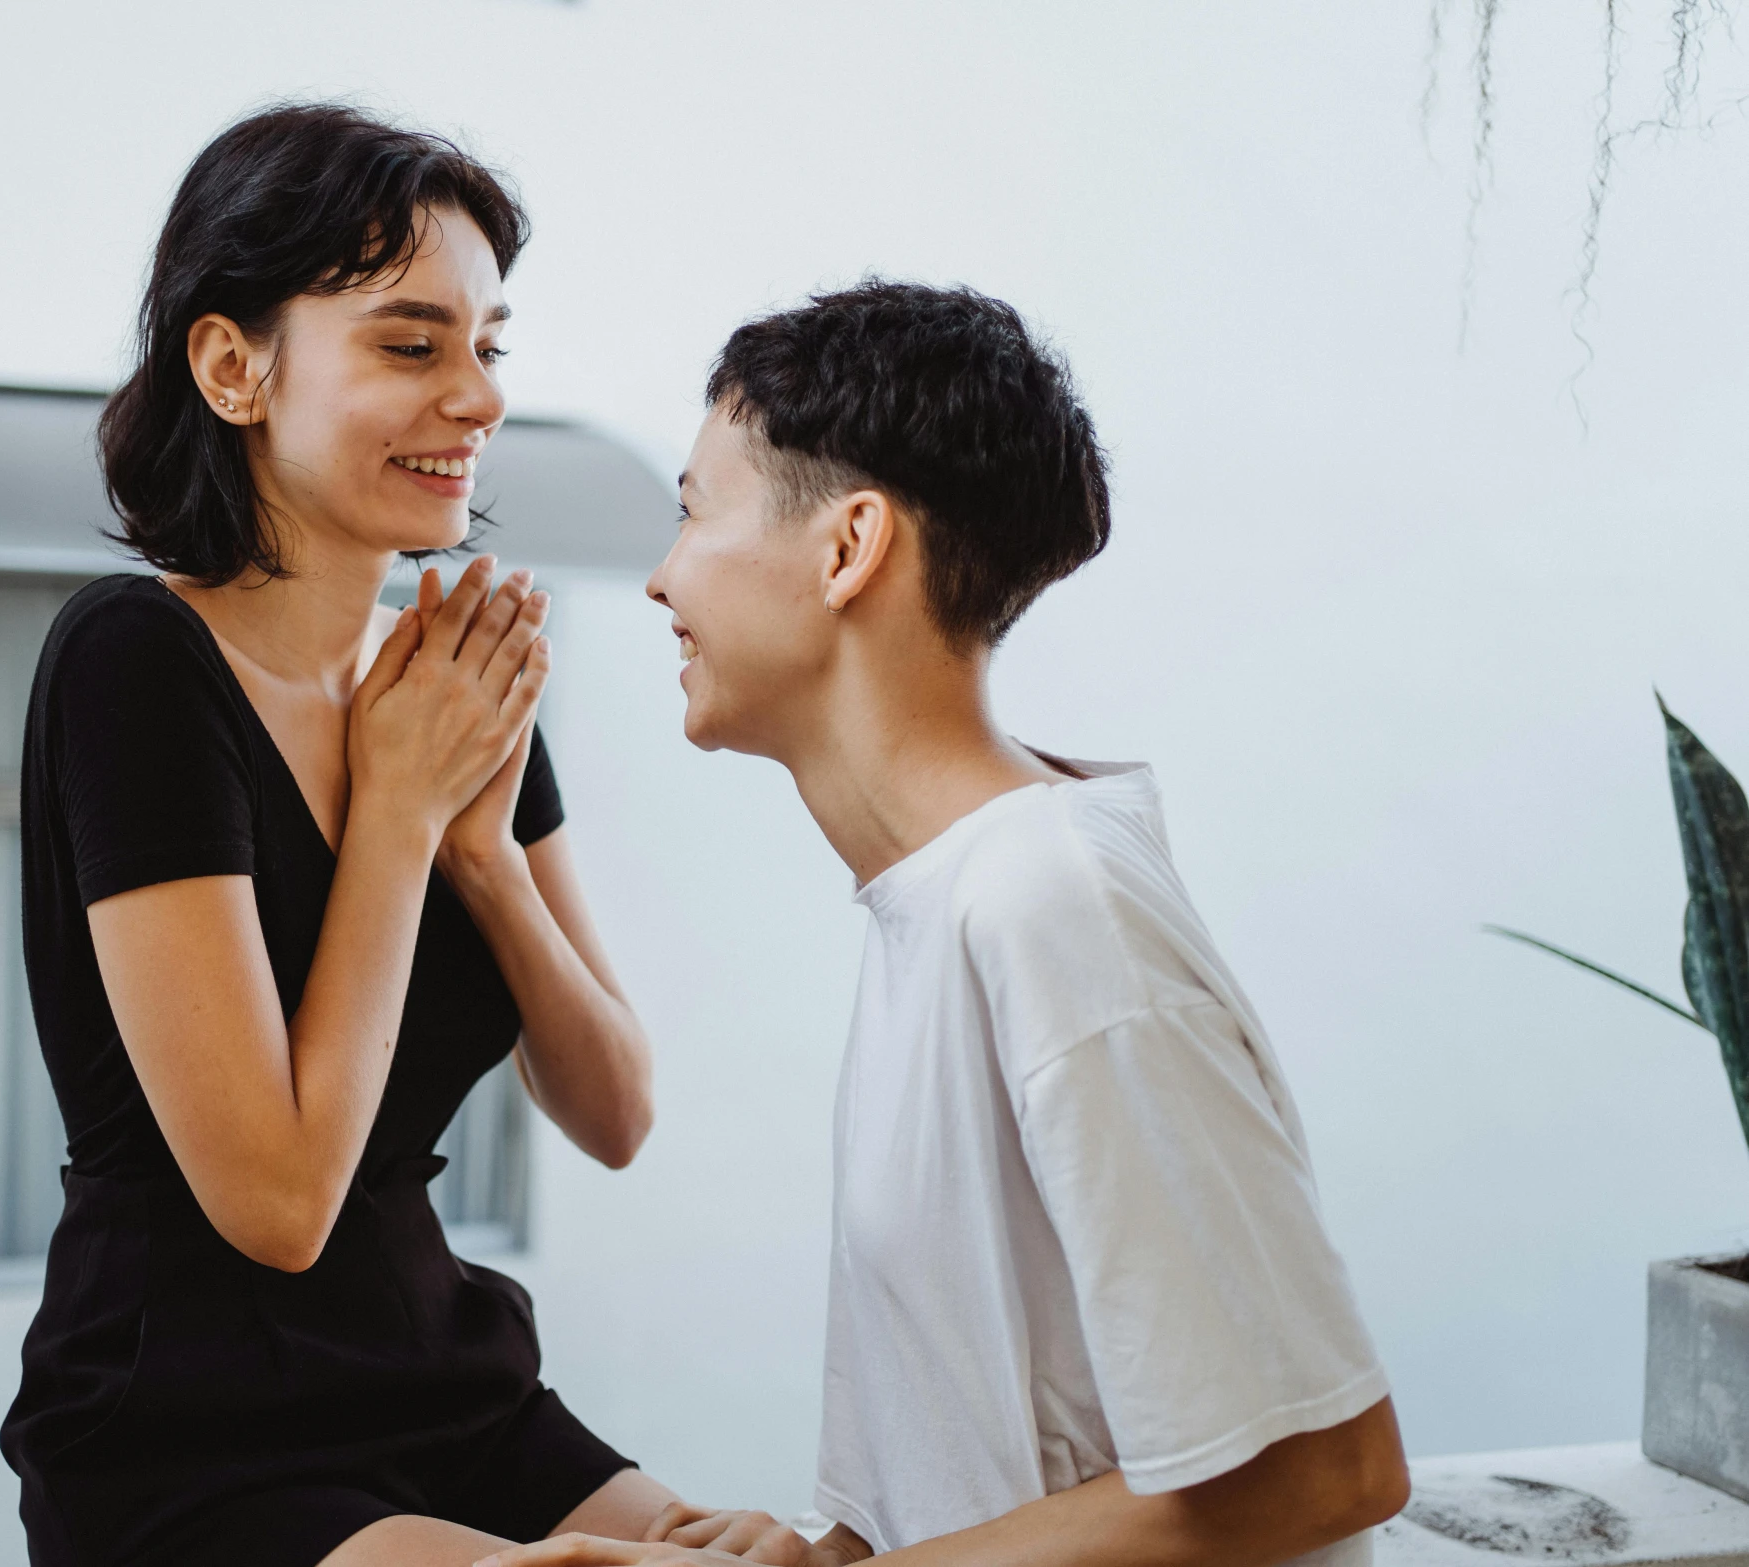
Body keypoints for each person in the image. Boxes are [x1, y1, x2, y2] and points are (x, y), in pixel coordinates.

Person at [479, 282, 1410, 1567]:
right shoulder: (939, 903)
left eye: (692, 512)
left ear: (847, 547)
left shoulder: (1052, 903)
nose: (658, 577)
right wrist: (821, 1552)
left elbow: (1323, 1467)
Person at [0, 105, 688, 1567]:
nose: (478, 397)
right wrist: (395, 814)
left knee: (774, 1546)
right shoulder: (134, 659)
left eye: (487, 347)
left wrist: (483, 856)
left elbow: (616, 1109)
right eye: (409, 343)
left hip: (445, 1378)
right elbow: (279, 1199)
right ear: (231, 365)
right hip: (189, 1435)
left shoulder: (443, 684)